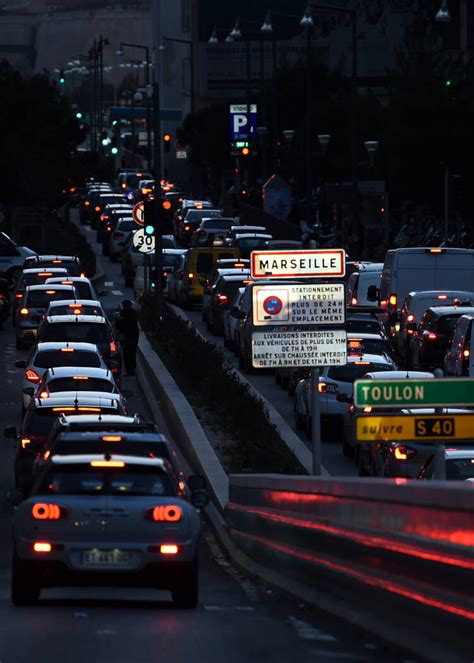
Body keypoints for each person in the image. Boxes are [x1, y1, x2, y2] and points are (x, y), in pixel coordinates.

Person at [115, 299, 139, 376]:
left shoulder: (131, 314)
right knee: (127, 353)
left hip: (131, 336)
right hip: (128, 337)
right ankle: (130, 370)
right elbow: (118, 325)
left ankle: (131, 369)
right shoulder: (126, 313)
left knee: (130, 353)